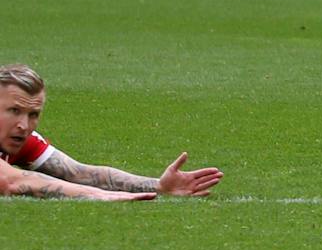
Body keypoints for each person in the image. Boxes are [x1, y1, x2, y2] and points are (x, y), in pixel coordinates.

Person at [1, 64, 222, 200]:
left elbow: (79, 173)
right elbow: (14, 182)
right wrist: (102, 196)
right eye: (14, 111)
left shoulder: (21, 138)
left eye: (33, 114)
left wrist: (158, 186)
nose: (24, 125)